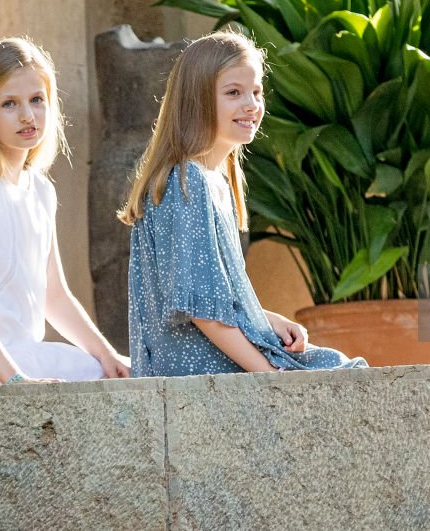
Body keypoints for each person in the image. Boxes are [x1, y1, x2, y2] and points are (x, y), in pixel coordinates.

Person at [119, 31, 367, 376]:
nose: (251, 104)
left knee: (339, 368)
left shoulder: (214, 182)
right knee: (341, 375)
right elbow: (202, 311)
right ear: (197, 100)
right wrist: (268, 375)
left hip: (223, 362)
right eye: (233, 93)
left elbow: (216, 300)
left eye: (256, 92)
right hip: (200, 373)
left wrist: (266, 318)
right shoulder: (185, 183)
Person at [0, 37, 130, 386]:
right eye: (9, 103)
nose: (27, 115)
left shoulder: (40, 190)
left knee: (128, 372)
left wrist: (106, 355)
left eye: (37, 100)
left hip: (24, 357)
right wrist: (15, 380)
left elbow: (54, 295)